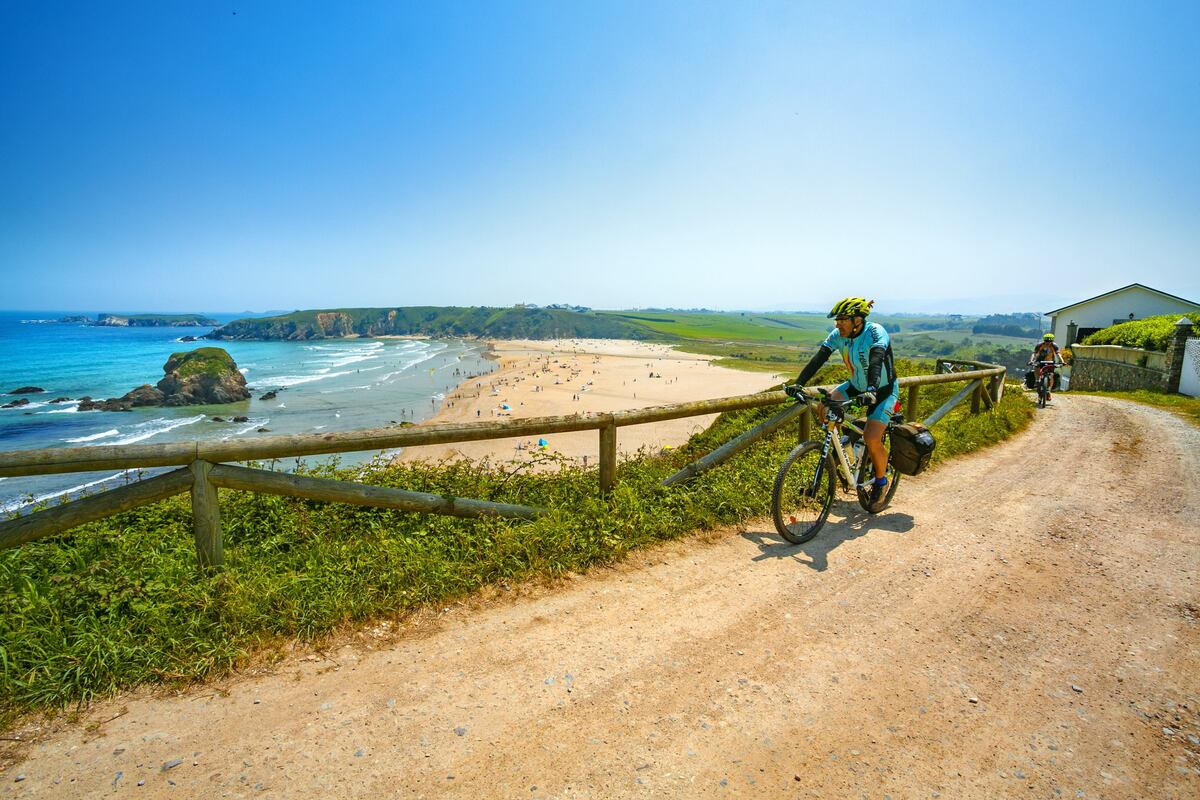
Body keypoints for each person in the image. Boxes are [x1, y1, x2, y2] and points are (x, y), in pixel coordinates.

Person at [785, 297, 899, 507]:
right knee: (823, 408)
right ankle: (845, 450)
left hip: (883, 390)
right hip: (855, 385)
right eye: (837, 320)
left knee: (872, 438)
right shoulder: (838, 336)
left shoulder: (875, 332)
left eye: (842, 319)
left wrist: (872, 389)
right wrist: (799, 383)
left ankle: (881, 482)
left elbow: (876, 360)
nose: (837, 324)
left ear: (857, 320)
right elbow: (819, 358)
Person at [1029, 333, 1064, 401]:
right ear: (1044, 340)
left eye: (1050, 341)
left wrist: (1062, 361)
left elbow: (1058, 354)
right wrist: (1031, 361)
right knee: (1036, 367)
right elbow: (1034, 353)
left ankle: (1048, 390)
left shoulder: (1054, 346)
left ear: (1052, 341)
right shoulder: (1039, 345)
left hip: (1050, 361)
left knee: (1051, 375)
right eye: (1046, 341)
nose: (1048, 343)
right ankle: (1037, 381)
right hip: (1040, 360)